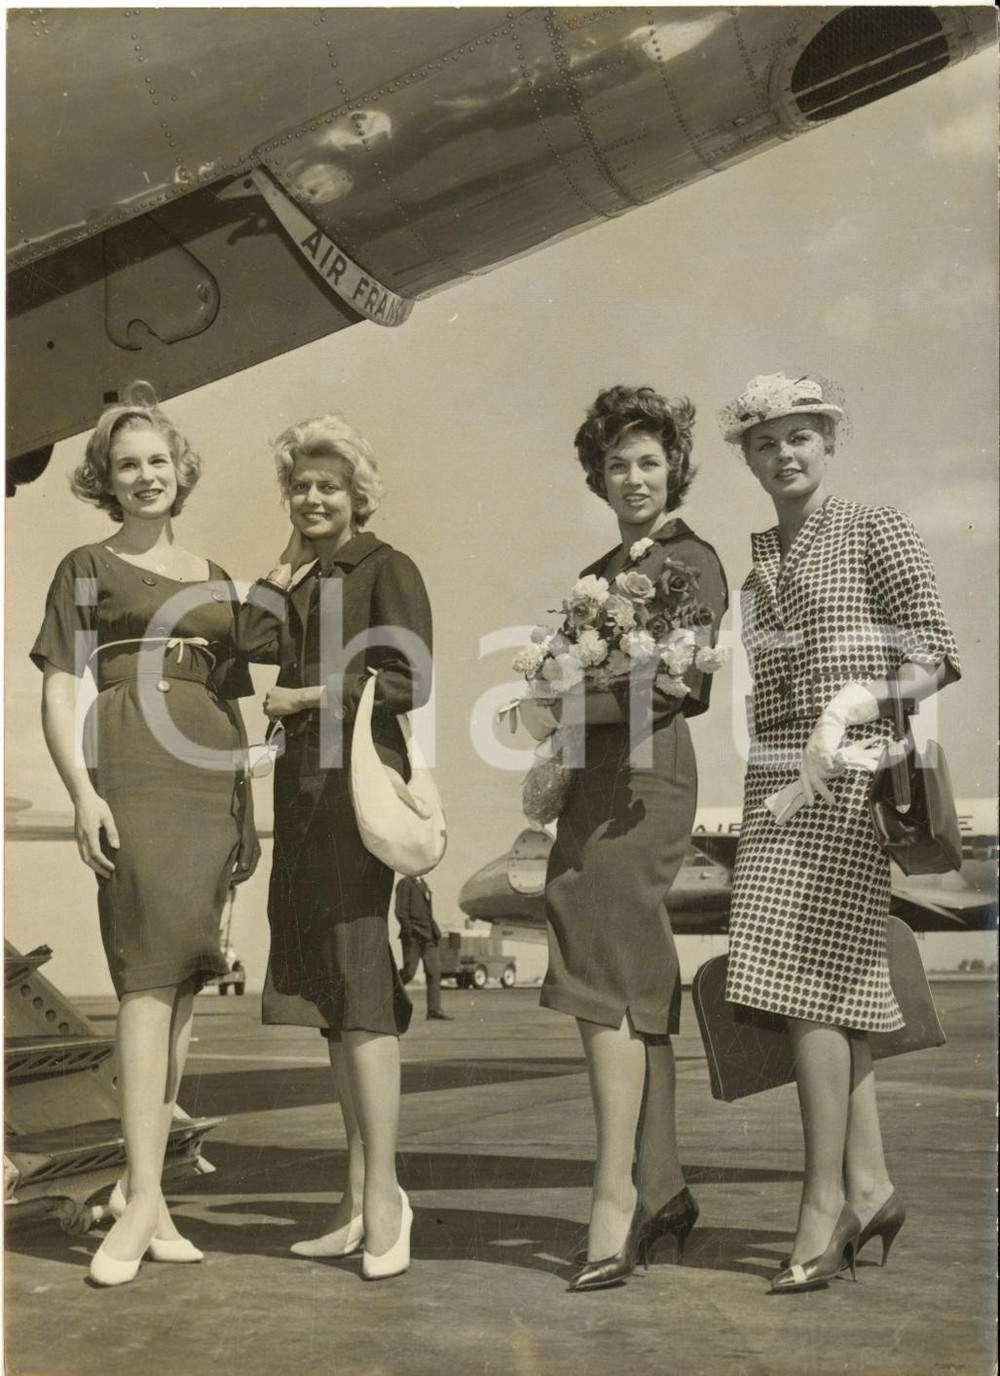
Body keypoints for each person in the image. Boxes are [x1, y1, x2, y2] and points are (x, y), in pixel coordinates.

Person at [718, 373, 961, 1294]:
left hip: (856, 778)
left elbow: (934, 650)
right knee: (813, 982)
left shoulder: (873, 527)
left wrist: (864, 698)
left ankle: (822, 1205)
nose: (785, 453)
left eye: (801, 436)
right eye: (766, 441)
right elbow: (768, 696)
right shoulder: (755, 568)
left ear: (829, 441)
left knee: (803, 983)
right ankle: (871, 1184)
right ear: (748, 456)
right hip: (776, 779)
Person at [31, 390, 259, 1287]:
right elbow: (58, 686)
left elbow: (237, 700)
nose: (144, 475)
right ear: (105, 480)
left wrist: (244, 811)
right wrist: (81, 792)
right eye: (126, 464)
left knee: (188, 982)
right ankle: (135, 1214)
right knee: (142, 977)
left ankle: (145, 1195)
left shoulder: (215, 571)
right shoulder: (85, 563)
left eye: (157, 460)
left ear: (180, 469)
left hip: (210, 773)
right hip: (130, 761)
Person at [235, 413, 432, 1281]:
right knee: (331, 1000)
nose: (313, 498)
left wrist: (311, 695)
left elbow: (410, 677)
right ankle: (354, 1198)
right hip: (305, 800)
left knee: (359, 986)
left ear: (359, 494)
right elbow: (246, 645)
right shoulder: (303, 575)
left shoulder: (388, 568)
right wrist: (284, 561)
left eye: (329, 486)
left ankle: (387, 1198)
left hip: (356, 795)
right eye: (300, 487)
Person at [541, 385, 728, 1291]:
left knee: (603, 971)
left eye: (649, 461)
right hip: (595, 780)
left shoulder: (692, 561)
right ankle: (662, 1184)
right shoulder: (599, 569)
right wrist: (557, 725)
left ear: (674, 469)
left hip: (648, 778)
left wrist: (561, 699)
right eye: (617, 463)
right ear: (598, 475)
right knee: (623, 971)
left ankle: (612, 1197)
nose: (633, 477)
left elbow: (674, 688)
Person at [395, 876, 452, 1021]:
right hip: (413, 936)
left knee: (434, 971)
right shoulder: (406, 883)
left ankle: (434, 1011)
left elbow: (427, 912)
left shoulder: (424, 883)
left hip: (428, 936)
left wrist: (434, 931)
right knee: (408, 973)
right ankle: (385, 998)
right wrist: (409, 931)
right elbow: (400, 910)